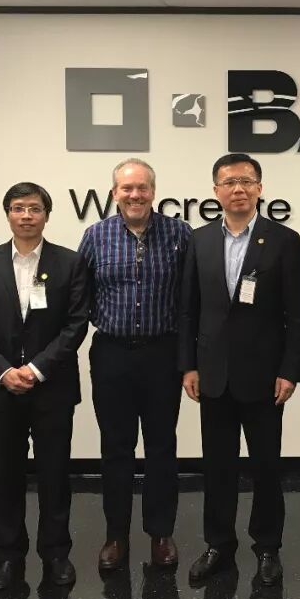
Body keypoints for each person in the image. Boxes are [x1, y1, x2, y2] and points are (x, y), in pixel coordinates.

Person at [178, 153, 300, 587]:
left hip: (265, 377)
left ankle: (268, 546)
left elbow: (297, 315)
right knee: (217, 466)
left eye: (247, 181)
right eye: (229, 182)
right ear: (215, 190)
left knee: (266, 466)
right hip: (213, 374)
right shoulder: (198, 240)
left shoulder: (284, 240)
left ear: (260, 188)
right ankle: (219, 544)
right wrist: (188, 366)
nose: (238, 189)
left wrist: (291, 370)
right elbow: (188, 310)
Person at [0, 182, 89, 590]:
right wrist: (4, 371)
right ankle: (8, 556)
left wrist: (35, 369)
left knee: (55, 474)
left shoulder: (69, 263)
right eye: (18, 208)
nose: (26, 216)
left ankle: (56, 554)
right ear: (8, 214)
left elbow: (76, 324)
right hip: (0, 388)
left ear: (46, 215)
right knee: (5, 475)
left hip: (52, 388)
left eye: (34, 208)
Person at [77, 159, 192, 571]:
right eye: (127, 188)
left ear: (153, 192)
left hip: (162, 354)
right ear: (114, 193)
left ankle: (160, 533)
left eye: (142, 187)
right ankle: (116, 535)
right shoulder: (96, 236)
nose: (135, 195)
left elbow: (189, 298)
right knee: (116, 447)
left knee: (162, 446)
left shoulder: (179, 234)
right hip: (112, 354)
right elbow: (80, 294)